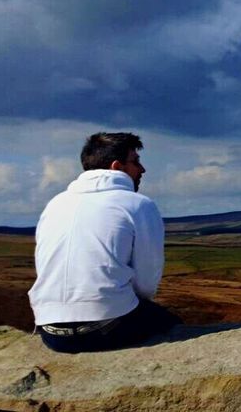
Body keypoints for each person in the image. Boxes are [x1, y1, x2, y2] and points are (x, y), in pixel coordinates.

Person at [28, 132, 181, 352]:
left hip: (51, 334)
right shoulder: (138, 205)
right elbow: (146, 282)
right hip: (109, 329)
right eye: (136, 162)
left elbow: (44, 267)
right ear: (117, 167)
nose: (142, 169)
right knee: (171, 323)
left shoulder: (56, 204)